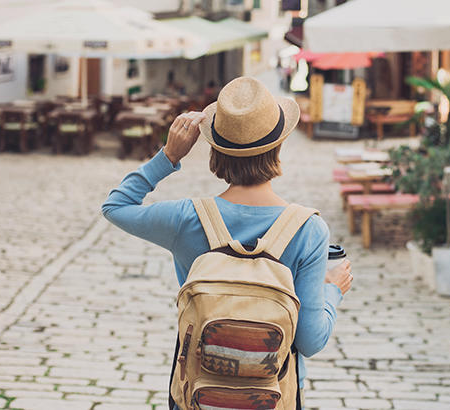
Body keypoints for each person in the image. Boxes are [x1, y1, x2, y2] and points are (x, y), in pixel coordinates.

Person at [101, 76, 353, 407]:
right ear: (277, 146)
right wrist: (333, 288)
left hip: (198, 393)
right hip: (274, 396)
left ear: (215, 149)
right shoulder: (308, 229)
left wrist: (168, 155)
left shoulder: (186, 218)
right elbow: (310, 340)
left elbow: (115, 207)